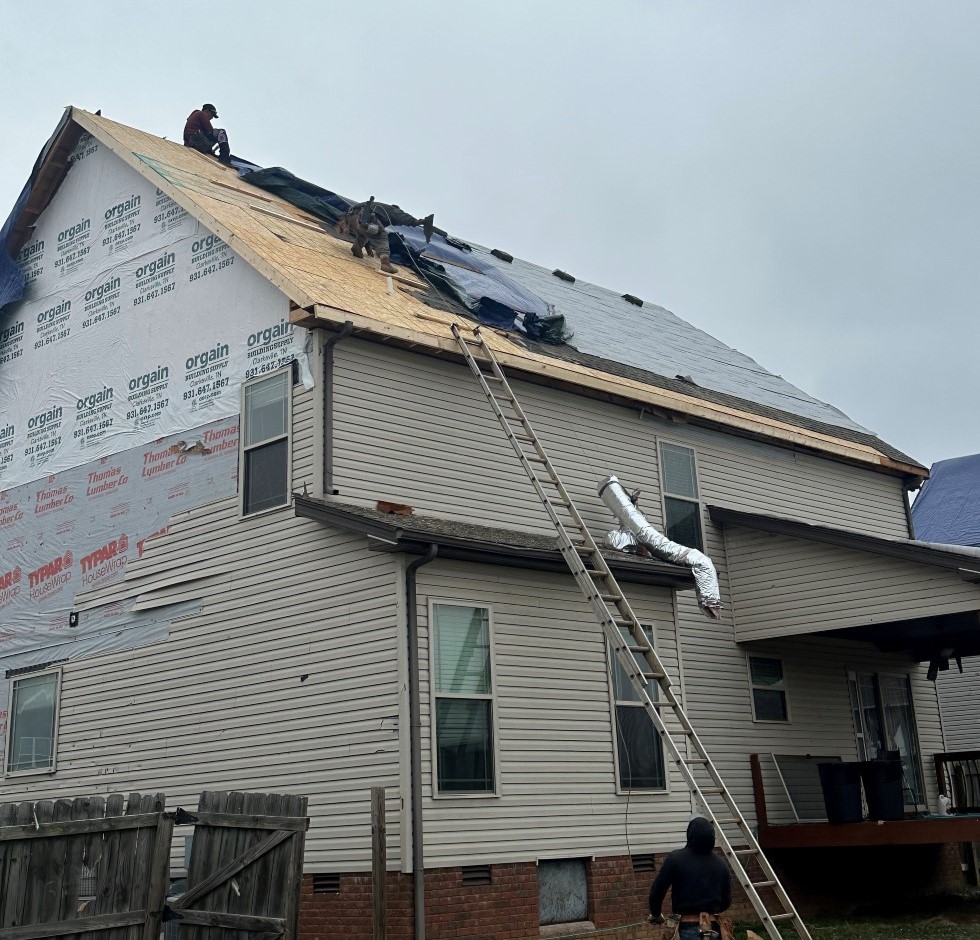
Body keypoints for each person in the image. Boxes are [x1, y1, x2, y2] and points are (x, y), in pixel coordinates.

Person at [648, 817, 733, 940]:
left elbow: (657, 892)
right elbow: (726, 902)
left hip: (686, 929)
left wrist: (656, 914)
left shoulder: (675, 859)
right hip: (714, 929)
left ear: (690, 834)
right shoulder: (721, 863)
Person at [336, 198, 435, 275]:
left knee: (364, 234)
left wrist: (368, 248)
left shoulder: (380, 210)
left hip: (350, 218)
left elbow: (371, 237)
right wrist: (418, 222)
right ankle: (385, 263)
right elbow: (403, 217)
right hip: (364, 217)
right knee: (382, 236)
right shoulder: (393, 210)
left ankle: (356, 248)